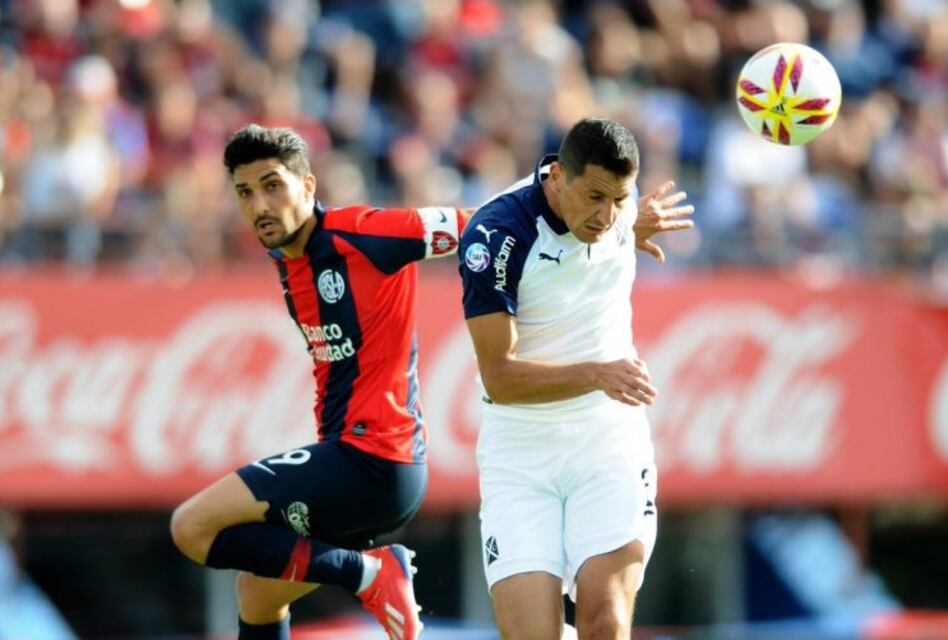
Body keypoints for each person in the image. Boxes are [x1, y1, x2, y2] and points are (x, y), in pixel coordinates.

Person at [171, 124, 470, 640]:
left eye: (273, 186)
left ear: (308, 186)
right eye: (245, 193)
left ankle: (371, 574)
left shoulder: (364, 232)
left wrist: (583, 220)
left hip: (374, 459)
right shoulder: (290, 261)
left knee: (192, 526)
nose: (260, 205)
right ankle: (367, 573)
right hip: (361, 468)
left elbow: (482, 226)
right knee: (258, 594)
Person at [458, 117, 693, 640]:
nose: (606, 216)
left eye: (620, 200)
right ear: (558, 176)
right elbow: (500, 379)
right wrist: (597, 373)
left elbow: (611, 224)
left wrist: (633, 227)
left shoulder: (616, 210)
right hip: (520, 452)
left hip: (607, 439)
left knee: (603, 621)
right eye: (595, 197)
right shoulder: (496, 237)